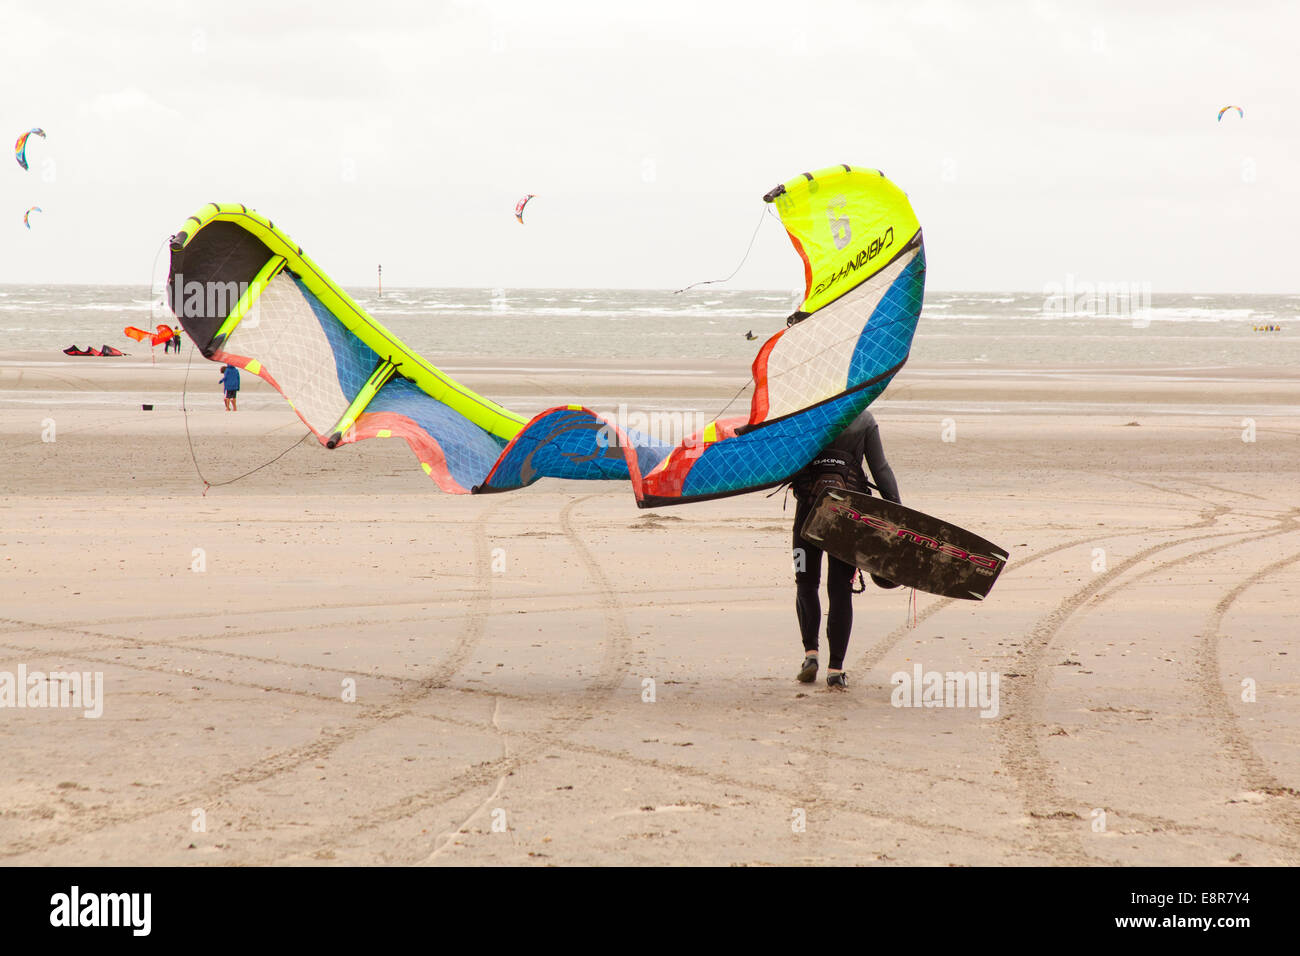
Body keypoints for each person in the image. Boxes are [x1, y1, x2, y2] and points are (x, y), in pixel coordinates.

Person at [789, 408, 900, 689]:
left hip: (807, 515)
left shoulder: (806, 416)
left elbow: (782, 463)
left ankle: (810, 656)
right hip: (848, 518)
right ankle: (835, 670)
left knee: (806, 584)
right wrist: (897, 515)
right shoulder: (864, 419)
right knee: (840, 592)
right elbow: (881, 469)